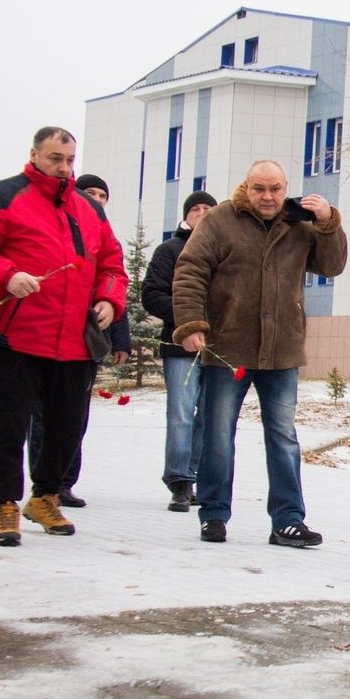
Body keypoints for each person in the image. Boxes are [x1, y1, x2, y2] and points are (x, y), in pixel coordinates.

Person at [0, 127, 128, 547]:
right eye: (55, 159)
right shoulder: (0, 196)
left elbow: (112, 264)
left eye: (69, 160)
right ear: (34, 154)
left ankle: (45, 496)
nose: (64, 168)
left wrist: (108, 300)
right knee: (7, 427)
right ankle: (4, 506)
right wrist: (7, 276)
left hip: (75, 341)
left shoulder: (89, 208)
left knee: (67, 428)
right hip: (17, 335)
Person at [172, 160, 347, 545]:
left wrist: (328, 222)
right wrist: (191, 324)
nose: (267, 197)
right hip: (227, 349)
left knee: (283, 436)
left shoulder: (300, 222)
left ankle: (288, 519)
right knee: (218, 435)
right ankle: (214, 514)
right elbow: (190, 271)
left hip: (282, 350)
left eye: (275, 189)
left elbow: (332, 266)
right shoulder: (219, 220)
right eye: (259, 189)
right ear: (246, 187)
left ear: (286, 188)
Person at [26, 173, 131, 508]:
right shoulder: (56, 224)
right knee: (42, 414)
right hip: (43, 333)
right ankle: (41, 484)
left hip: (85, 339)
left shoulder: (103, 235)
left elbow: (115, 284)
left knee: (73, 416)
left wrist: (120, 339)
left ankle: (63, 482)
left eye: (103, 194)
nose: (97, 198)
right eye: (90, 192)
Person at [142, 190, 217, 512]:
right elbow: (151, 295)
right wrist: (188, 319)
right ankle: (179, 481)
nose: (201, 212)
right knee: (182, 416)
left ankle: (197, 476)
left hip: (220, 348)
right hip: (179, 346)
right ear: (185, 216)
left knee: (209, 418)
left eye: (207, 208)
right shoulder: (169, 250)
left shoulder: (225, 250)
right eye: (195, 208)